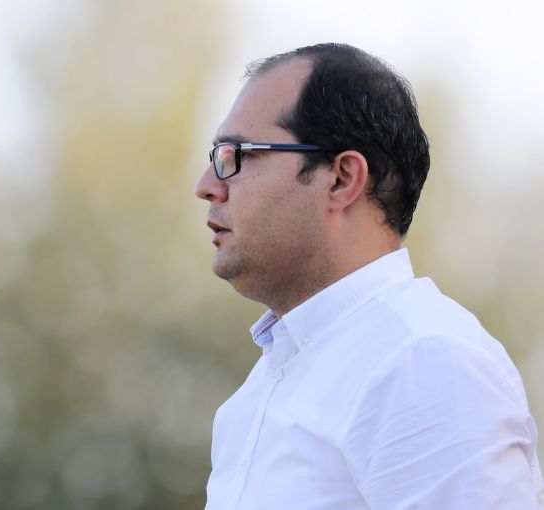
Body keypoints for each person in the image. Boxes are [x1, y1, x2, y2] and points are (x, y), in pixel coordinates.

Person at [194, 42, 544, 509]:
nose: (206, 186)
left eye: (235, 154)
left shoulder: (423, 361)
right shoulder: (262, 389)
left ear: (341, 179)